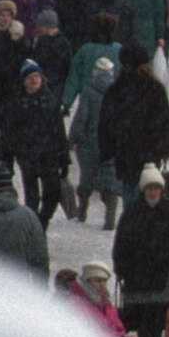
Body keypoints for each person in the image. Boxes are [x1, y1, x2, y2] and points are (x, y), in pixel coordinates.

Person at [96, 46, 169, 220]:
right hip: (150, 153)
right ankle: (148, 228)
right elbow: (165, 121)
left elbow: (106, 123)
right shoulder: (156, 88)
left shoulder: (117, 89)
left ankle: (132, 227)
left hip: (127, 153)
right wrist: (166, 149)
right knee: (151, 190)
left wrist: (107, 150)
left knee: (130, 191)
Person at [115, 165, 169, 337]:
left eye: (157, 188)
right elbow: (121, 240)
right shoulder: (133, 210)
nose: (153, 192)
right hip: (138, 270)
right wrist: (121, 268)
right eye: (150, 188)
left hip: (163, 269)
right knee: (141, 309)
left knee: (158, 310)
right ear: (143, 189)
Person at [0, 61, 67, 229]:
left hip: (49, 155)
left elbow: (60, 132)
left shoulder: (50, 101)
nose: (34, 80)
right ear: (23, 81)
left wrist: (65, 159)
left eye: (37, 76)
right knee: (32, 197)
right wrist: (7, 161)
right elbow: (7, 135)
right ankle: (33, 227)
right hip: (27, 155)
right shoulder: (16, 103)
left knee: (53, 194)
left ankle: (42, 221)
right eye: (30, 77)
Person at [68, 55, 119, 223]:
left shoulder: (88, 90)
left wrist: (71, 140)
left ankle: (82, 213)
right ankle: (110, 219)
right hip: (111, 142)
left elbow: (81, 117)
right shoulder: (118, 91)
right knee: (110, 177)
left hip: (89, 142)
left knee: (87, 176)